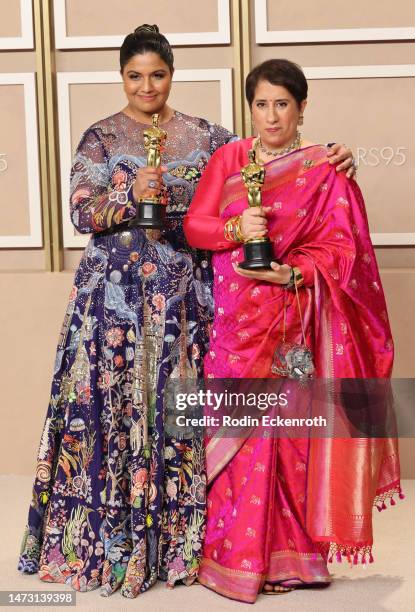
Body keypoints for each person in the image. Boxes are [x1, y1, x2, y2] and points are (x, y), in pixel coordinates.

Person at [17, 24, 354, 597]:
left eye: (157, 74)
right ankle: (106, 543)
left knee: (185, 419)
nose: (146, 85)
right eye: (134, 75)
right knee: (112, 414)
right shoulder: (100, 137)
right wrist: (129, 196)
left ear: (171, 75)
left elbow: (264, 163)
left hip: (185, 301)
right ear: (121, 77)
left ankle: (196, 545)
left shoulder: (207, 138)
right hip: (111, 305)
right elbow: (79, 211)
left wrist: (333, 157)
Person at [184, 59, 401, 603]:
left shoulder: (325, 168)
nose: (271, 115)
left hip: (296, 319)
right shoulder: (230, 158)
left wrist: (295, 273)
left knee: (293, 440)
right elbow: (195, 226)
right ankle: (232, 560)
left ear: (302, 107)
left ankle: (295, 560)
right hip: (239, 323)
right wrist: (237, 228)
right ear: (249, 108)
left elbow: (347, 253)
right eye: (261, 104)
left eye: (283, 103)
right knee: (240, 439)